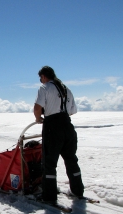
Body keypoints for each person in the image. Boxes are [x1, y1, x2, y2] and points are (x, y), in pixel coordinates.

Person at [33, 66, 84, 203]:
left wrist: (38, 119)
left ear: (43, 76)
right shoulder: (66, 89)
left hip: (52, 127)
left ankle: (49, 197)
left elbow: (37, 107)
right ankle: (77, 190)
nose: (41, 81)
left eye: (40, 79)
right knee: (71, 159)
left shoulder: (45, 88)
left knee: (49, 163)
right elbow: (72, 111)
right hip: (68, 126)